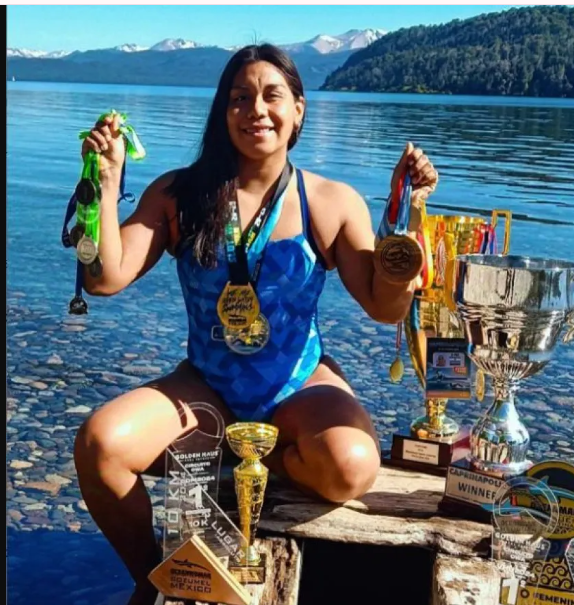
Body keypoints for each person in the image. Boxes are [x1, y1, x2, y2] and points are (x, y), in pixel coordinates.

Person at [73, 44, 438, 605]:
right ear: (223, 112)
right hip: (207, 389)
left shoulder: (330, 201)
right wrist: (105, 180)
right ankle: (152, 575)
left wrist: (404, 223)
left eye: (272, 96)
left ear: (298, 109)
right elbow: (105, 278)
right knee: (100, 446)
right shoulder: (180, 194)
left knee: (351, 467)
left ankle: (268, 459)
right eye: (240, 98)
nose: (256, 110)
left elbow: (384, 307)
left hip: (299, 385)